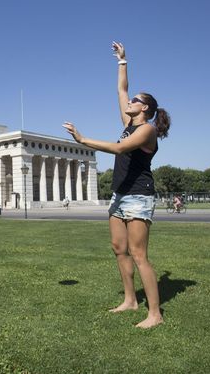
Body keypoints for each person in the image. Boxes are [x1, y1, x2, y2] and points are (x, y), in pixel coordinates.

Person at [63, 41, 170, 329]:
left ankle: (155, 314)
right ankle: (130, 300)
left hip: (139, 195)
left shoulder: (147, 130)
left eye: (136, 101)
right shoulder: (129, 122)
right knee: (118, 248)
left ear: (144, 108)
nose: (130, 102)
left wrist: (84, 140)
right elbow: (122, 90)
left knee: (139, 255)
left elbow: (119, 149)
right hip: (120, 195)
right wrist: (122, 62)